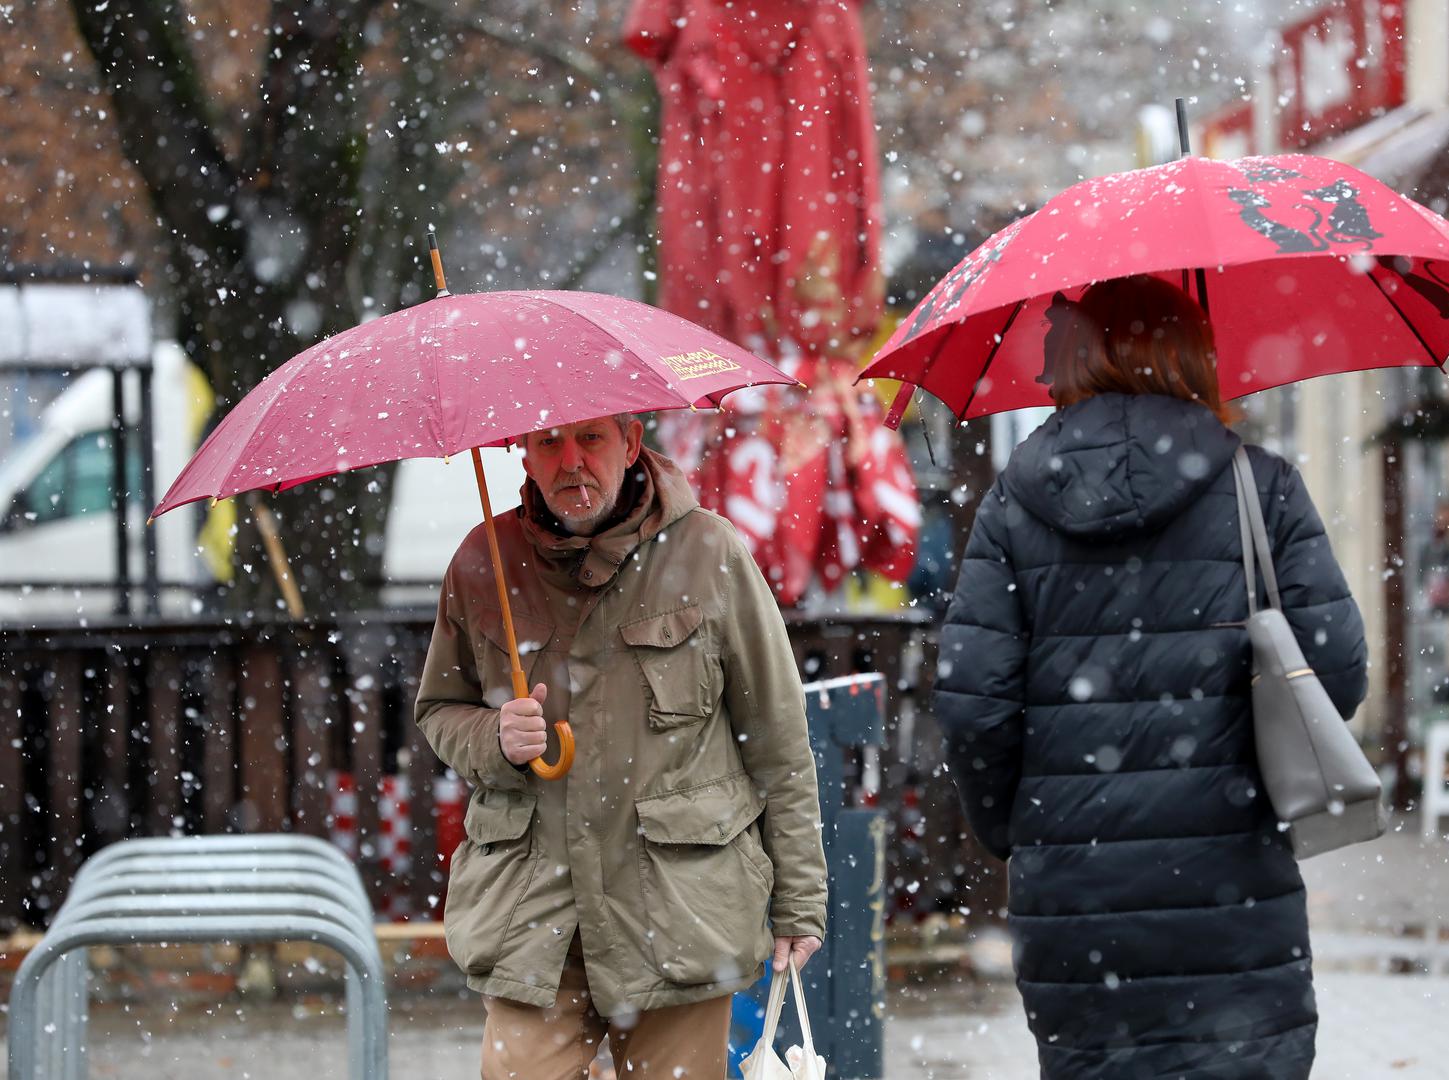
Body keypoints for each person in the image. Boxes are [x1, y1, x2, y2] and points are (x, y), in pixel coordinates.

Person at [934, 275, 1368, 1079]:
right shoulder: (1258, 488)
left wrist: (1017, 828)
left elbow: (972, 706)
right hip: (1231, 887)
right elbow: (1333, 671)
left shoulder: (1010, 506)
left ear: (1069, 357)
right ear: (1191, 353)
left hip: (1073, 898)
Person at [416, 413, 827, 1080]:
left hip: (677, 907)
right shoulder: (479, 562)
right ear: (522, 453)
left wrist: (799, 901)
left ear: (631, 443)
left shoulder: (711, 553)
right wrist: (491, 736)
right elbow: (438, 709)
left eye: (591, 439)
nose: (570, 461)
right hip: (533, 912)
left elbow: (778, 742)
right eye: (548, 441)